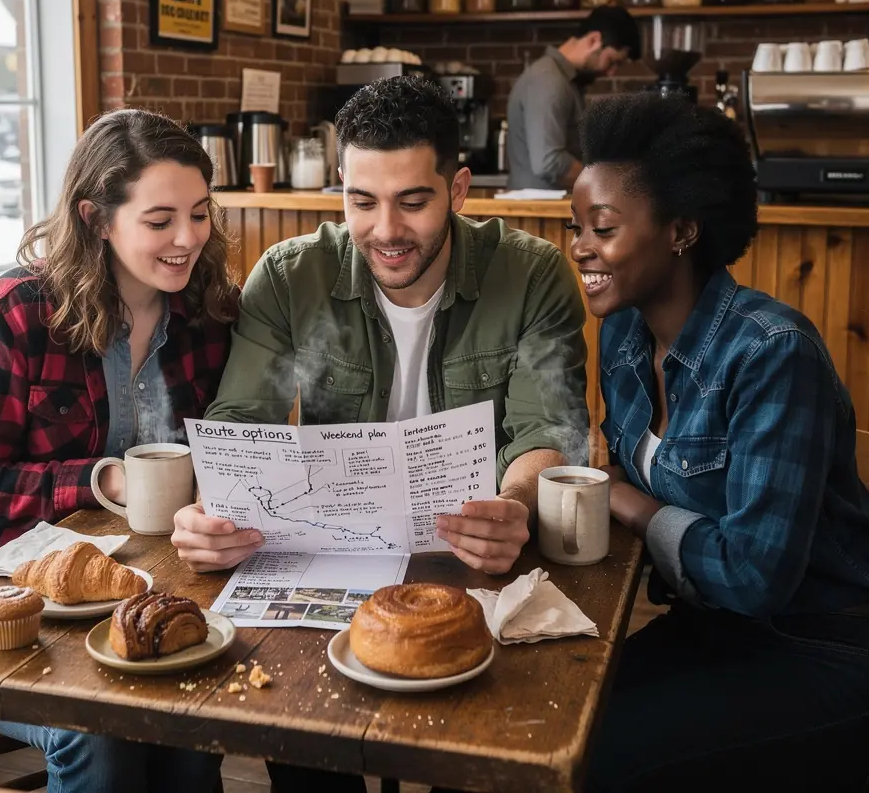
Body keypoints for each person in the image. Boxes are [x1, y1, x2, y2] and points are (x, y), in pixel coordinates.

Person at [0, 109, 236, 793]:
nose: (187, 239)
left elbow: (227, 445)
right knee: (101, 729)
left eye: (200, 214)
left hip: (136, 588)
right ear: (95, 218)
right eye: (160, 220)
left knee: (191, 720)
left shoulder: (208, 312)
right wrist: (96, 479)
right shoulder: (17, 312)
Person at [566, 93, 869, 792]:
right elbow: (621, 469)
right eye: (576, 226)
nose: (580, 246)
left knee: (590, 765)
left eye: (604, 227)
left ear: (681, 230)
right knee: (545, 732)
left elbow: (752, 575)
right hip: (717, 632)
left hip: (825, 646)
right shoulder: (623, 334)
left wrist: (624, 500)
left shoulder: (772, 353)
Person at [172, 73, 590, 580]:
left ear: (457, 190)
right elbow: (240, 421)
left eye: (413, 203)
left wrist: (516, 505)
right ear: (342, 183)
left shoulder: (532, 274)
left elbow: (545, 430)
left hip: (479, 556)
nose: (387, 230)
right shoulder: (289, 277)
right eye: (362, 202)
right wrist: (212, 511)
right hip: (332, 552)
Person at [506, 6, 640, 192]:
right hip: (539, 211)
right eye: (612, 61)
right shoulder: (548, 80)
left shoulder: (562, 80)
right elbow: (549, 162)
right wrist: (605, 181)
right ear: (594, 40)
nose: (611, 73)